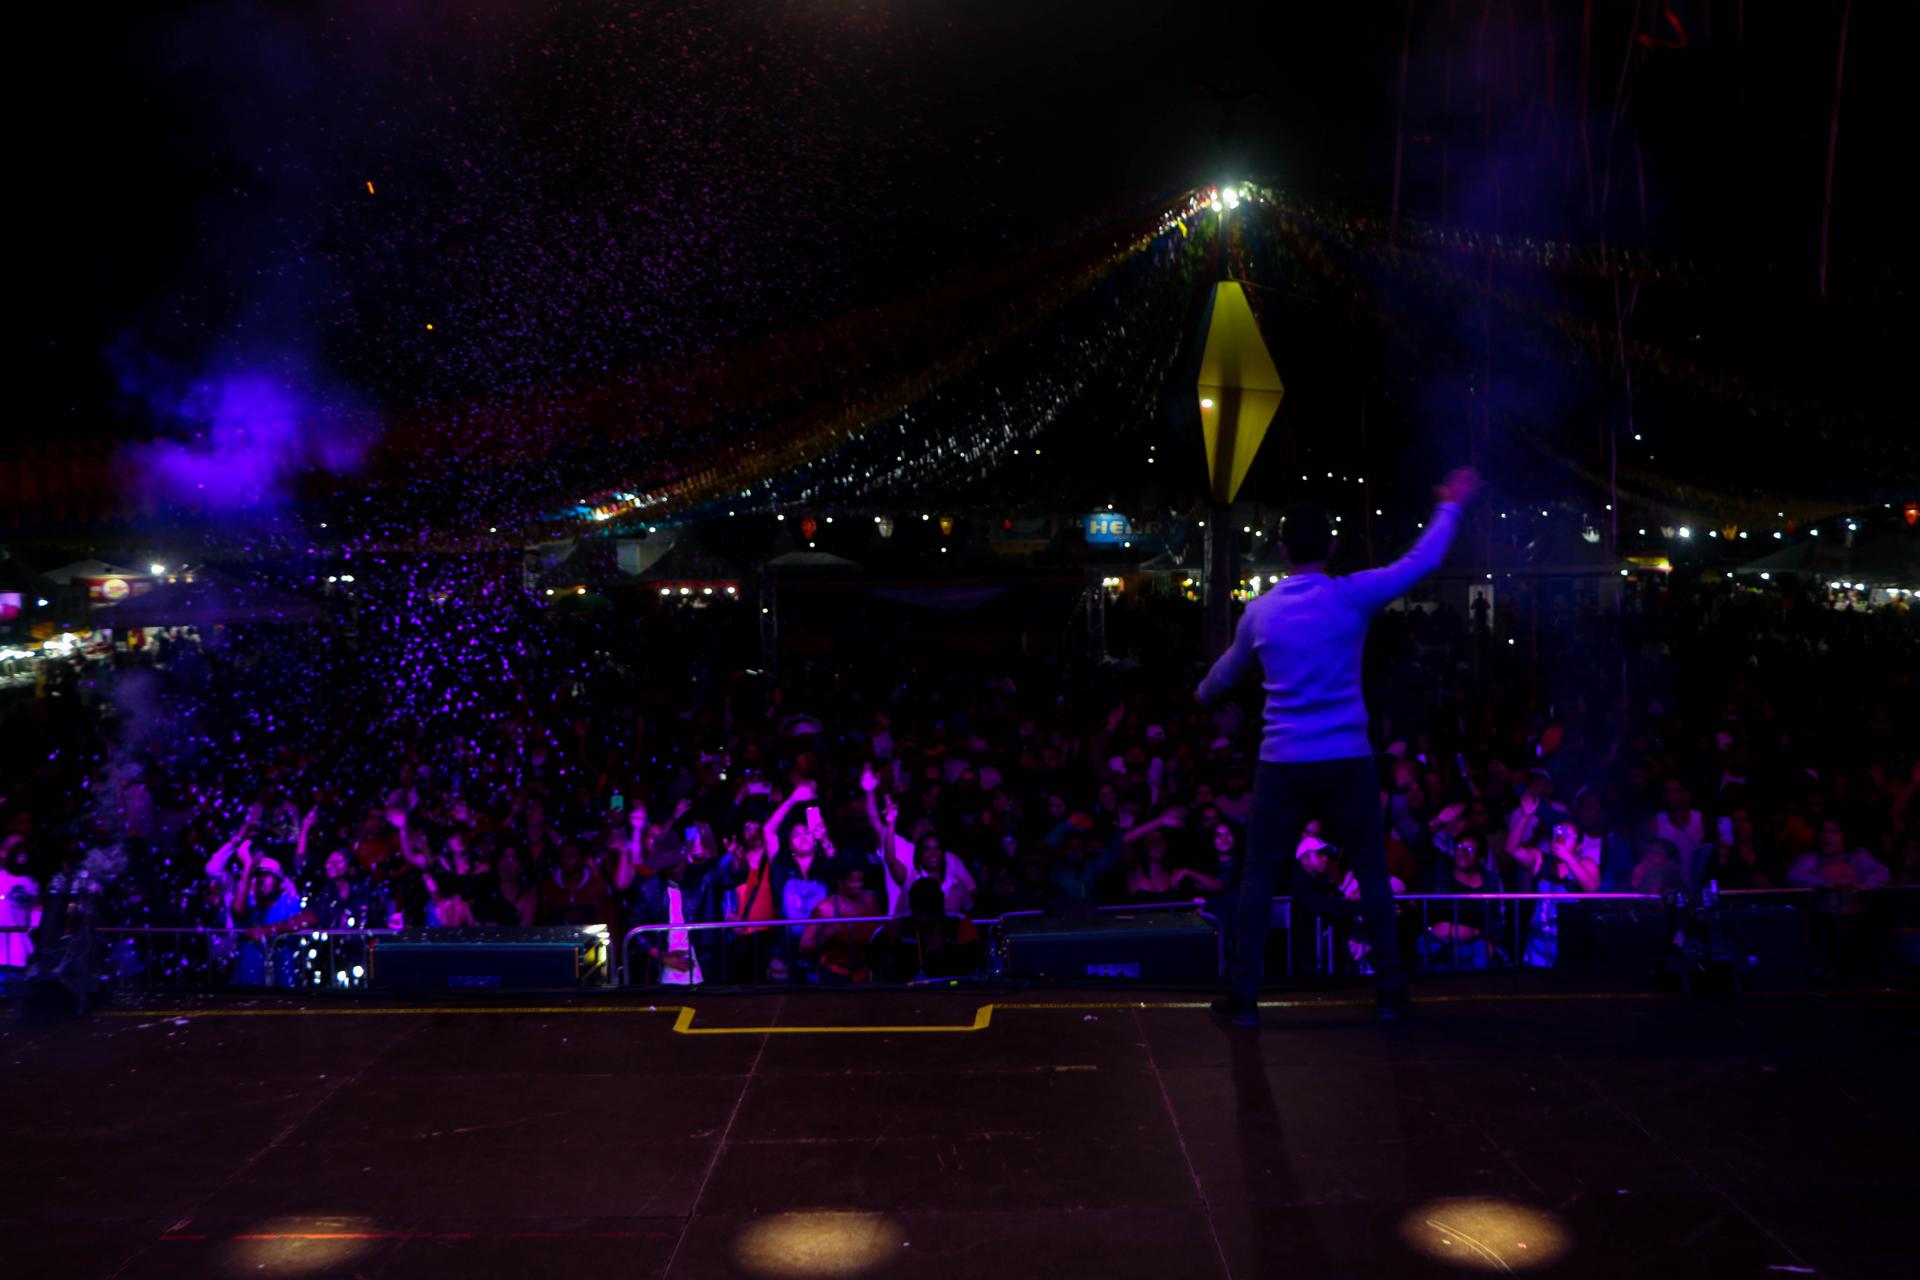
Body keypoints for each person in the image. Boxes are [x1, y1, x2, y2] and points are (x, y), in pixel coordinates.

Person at [1197, 467, 1480, 1026]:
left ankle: (1245, 998)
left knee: (1259, 875)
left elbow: (1225, 674)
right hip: (1347, 758)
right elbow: (1420, 562)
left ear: (1282, 550)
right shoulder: (1350, 596)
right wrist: (1449, 505)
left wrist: (1200, 694)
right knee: (1372, 871)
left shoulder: (1261, 611)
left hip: (1282, 761)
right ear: (1330, 547)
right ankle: (1391, 991)